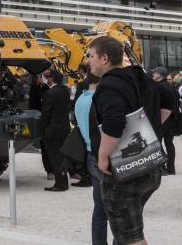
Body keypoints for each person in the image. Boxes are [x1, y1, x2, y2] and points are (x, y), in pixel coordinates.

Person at [88, 36, 168, 245]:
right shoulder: (143, 79)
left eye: (91, 56)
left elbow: (113, 123)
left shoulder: (109, 86)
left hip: (124, 174)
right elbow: (169, 100)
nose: (88, 60)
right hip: (150, 167)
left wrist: (103, 157)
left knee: (131, 238)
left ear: (104, 58)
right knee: (125, 234)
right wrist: (151, 129)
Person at [74, 70, 108, 245]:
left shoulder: (80, 99)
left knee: (99, 210)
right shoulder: (101, 100)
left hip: (89, 153)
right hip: (103, 155)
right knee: (116, 209)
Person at [40, 68, 70, 191]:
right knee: (62, 157)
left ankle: (60, 184)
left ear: (51, 79)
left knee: (55, 158)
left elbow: (46, 113)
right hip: (63, 129)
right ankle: (64, 181)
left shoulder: (50, 93)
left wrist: (42, 129)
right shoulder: (65, 91)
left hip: (52, 131)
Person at [152, 66, 178, 175]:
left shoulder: (157, 87)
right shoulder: (171, 86)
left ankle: (163, 166)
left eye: (155, 73)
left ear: (160, 75)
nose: (153, 75)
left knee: (156, 143)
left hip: (162, 118)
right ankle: (171, 168)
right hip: (172, 119)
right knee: (169, 143)